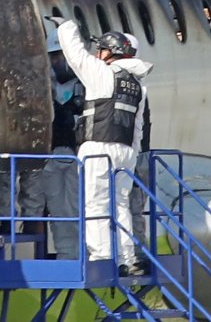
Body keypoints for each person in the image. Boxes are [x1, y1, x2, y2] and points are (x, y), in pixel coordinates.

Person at [49, 17, 153, 276]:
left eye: (102, 49)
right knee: (120, 205)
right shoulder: (138, 86)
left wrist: (67, 26)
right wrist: (133, 154)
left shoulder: (102, 73)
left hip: (99, 148)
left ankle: (103, 257)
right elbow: (138, 126)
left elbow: (76, 56)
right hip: (126, 151)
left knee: (95, 204)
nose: (98, 53)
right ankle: (127, 258)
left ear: (113, 53)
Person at [41, 18, 84, 258]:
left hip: (78, 156)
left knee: (77, 207)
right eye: (53, 57)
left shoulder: (87, 83)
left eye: (61, 56)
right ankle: (66, 253)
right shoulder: (47, 87)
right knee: (57, 209)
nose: (58, 62)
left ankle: (83, 252)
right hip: (52, 155)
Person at [124, 33, 152, 255]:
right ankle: (137, 253)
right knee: (133, 211)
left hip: (134, 157)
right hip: (138, 155)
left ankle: (136, 254)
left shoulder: (130, 88)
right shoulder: (139, 87)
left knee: (130, 208)